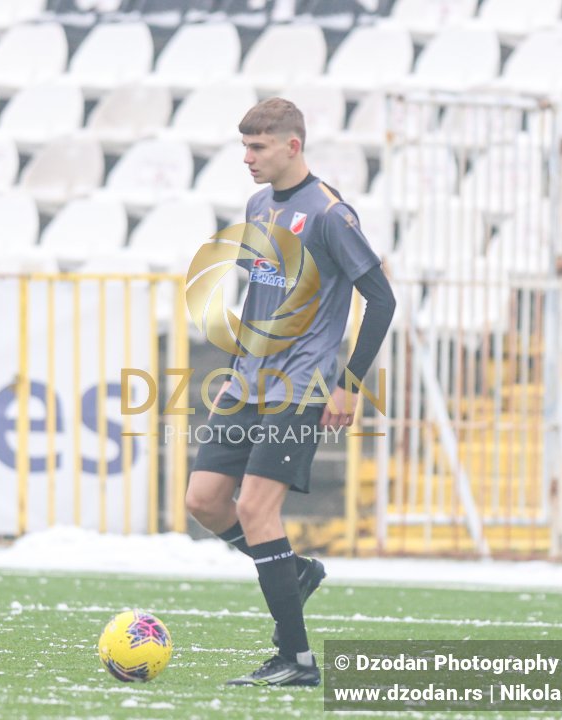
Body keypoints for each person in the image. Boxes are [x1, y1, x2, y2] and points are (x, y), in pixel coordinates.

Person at [184, 98, 396, 687]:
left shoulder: (330, 214)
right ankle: (293, 573)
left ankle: (298, 661)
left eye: (258, 148)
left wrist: (349, 385)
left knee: (255, 509)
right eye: (244, 147)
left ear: (292, 146)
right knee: (203, 500)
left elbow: (381, 300)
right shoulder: (257, 205)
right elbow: (257, 300)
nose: (247, 158)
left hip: (300, 386)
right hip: (249, 381)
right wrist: (231, 367)